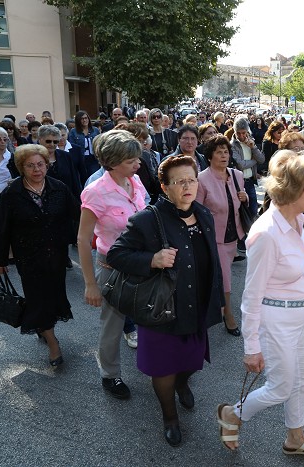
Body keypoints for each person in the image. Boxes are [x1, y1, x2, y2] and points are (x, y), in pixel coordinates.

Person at [216, 151, 304, 458]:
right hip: (276, 320)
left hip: (301, 316)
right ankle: (233, 414)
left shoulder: (298, 220)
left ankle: (295, 438)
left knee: (301, 379)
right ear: (294, 190)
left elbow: (290, 260)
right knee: (280, 387)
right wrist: (251, 346)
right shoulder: (266, 233)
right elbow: (251, 295)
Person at [107, 155, 224, 446]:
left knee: (191, 361)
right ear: (164, 187)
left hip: (196, 304)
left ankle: (182, 384)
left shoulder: (204, 214)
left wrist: (218, 299)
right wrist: (152, 259)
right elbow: (116, 255)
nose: (187, 186)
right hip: (161, 308)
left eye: (191, 180)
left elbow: (213, 260)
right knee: (163, 368)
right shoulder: (147, 219)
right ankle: (169, 417)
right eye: (179, 181)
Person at [0, 144, 77, 367]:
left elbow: (77, 213)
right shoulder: (12, 193)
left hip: (57, 254)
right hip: (28, 256)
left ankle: (43, 326)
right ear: (22, 168)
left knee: (54, 295)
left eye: (40, 164)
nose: (37, 169)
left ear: (47, 165)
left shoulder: (59, 188)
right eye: (30, 165)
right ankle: (53, 344)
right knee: (37, 298)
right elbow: (2, 229)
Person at [77, 130, 147, 400]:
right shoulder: (95, 192)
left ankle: (155, 366)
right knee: (113, 326)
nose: (138, 164)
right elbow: (83, 240)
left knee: (149, 317)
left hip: (141, 262)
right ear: (113, 162)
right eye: (131, 160)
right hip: (111, 267)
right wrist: (90, 284)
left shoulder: (135, 181)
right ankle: (110, 375)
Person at [196, 135, 247, 337]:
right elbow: (196, 210)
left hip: (233, 235)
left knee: (219, 275)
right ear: (210, 156)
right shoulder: (202, 179)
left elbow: (240, 203)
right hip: (213, 238)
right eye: (219, 152)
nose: (224, 155)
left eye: (226, 151)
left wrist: (245, 197)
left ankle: (214, 306)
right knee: (225, 277)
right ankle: (228, 315)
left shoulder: (237, 175)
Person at [230, 118, 265, 218]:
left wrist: (253, 148)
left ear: (247, 131)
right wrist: (254, 161)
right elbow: (240, 165)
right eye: (238, 133)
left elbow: (261, 159)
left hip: (250, 181)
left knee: (254, 210)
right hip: (238, 183)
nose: (241, 136)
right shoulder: (232, 145)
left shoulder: (251, 142)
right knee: (241, 213)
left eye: (243, 133)